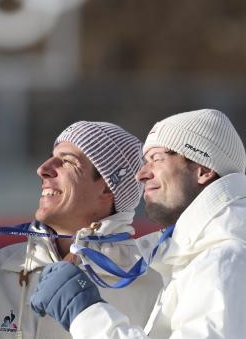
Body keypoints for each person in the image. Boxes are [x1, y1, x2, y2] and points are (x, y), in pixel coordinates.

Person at [0, 121, 162, 338]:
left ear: (108, 189)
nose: (43, 168)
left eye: (67, 161)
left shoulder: (152, 282)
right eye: (51, 157)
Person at [30, 109, 246, 338]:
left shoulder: (225, 258)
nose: (141, 174)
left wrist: (85, 313)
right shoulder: (199, 257)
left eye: (157, 159)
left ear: (203, 169)